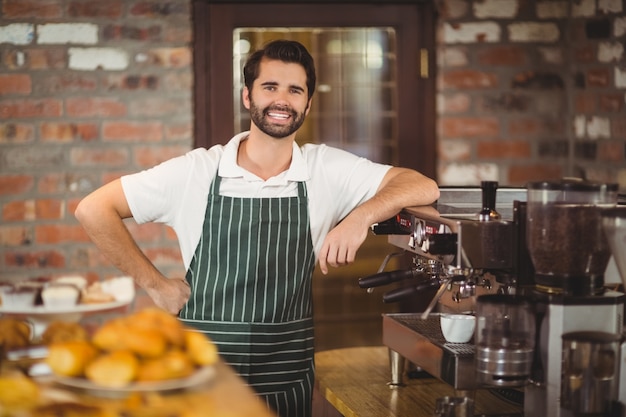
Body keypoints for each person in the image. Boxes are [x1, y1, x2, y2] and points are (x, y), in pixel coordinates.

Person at [75, 39, 439, 417]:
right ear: (247, 97)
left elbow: (422, 185)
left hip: (286, 378)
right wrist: (155, 284)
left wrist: (359, 217)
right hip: (202, 377)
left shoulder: (325, 169)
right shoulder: (197, 172)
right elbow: (94, 209)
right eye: (270, 87)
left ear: (308, 104)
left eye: (295, 90)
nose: (282, 100)